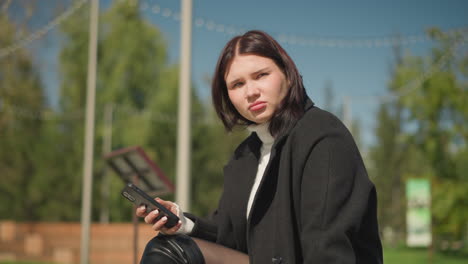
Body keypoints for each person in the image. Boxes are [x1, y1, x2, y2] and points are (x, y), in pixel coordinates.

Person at [136, 30, 383, 264]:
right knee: (168, 248)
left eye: (261, 75)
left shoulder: (322, 135)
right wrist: (181, 222)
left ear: (287, 74)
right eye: (237, 85)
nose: (251, 92)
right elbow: (229, 235)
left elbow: (329, 248)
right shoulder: (245, 155)